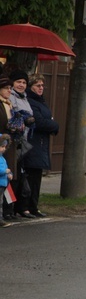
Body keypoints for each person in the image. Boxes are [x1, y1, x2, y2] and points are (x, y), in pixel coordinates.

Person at [24, 74, 59, 218]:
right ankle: (26, 206)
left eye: (42, 85)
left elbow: (46, 119)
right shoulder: (31, 101)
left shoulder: (41, 101)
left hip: (41, 143)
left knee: (37, 176)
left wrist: (51, 124)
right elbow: (39, 122)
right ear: (31, 86)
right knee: (30, 176)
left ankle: (34, 206)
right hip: (33, 143)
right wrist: (54, 125)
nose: (41, 88)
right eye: (37, 85)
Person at [8, 69, 37, 219]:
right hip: (13, 141)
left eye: (24, 82)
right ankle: (10, 209)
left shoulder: (24, 97)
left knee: (21, 175)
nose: (21, 85)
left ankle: (20, 207)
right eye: (18, 81)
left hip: (24, 140)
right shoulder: (10, 97)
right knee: (13, 175)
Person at [0, 74, 19, 220]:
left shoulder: (9, 104)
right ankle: (4, 211)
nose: (9, 91)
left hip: (9, 143)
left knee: (8, 175)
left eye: (10, 88)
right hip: (2, 141)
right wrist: (7, 127)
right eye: (6, 88)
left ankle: (8, 209)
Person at [0, 133, 13, 227]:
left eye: (5, 147)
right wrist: (5, 171)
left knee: (1, 202)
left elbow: (6, 168)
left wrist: (9, 174)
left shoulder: (3, 159)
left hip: (3, 184)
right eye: (1, 146)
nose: (4, 149)